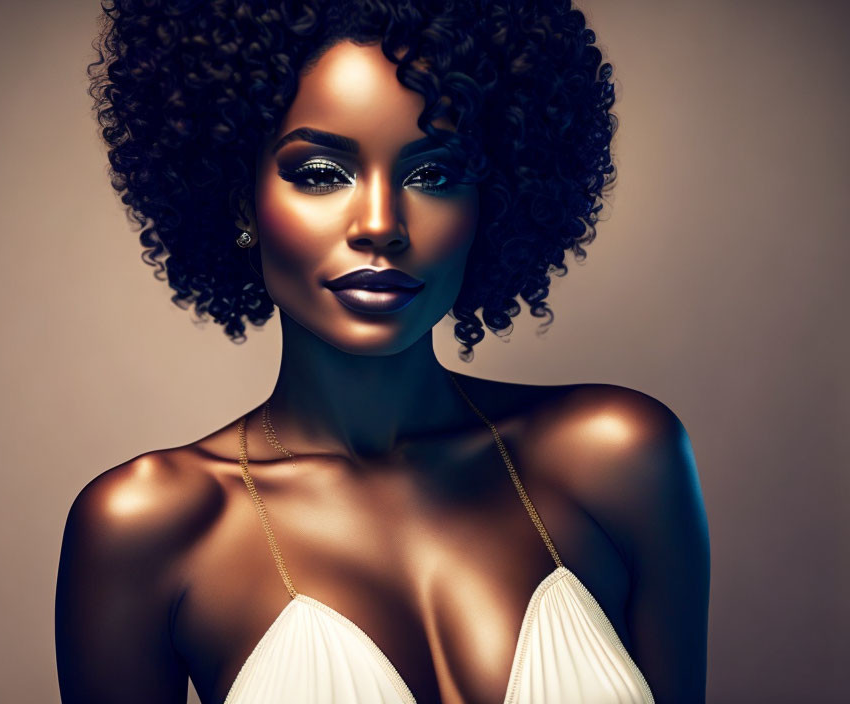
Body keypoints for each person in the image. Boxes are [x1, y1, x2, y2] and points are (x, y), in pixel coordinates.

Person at [55, 1, 710, 702]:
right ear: (239, 203)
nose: (379, 226)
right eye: (319, 172)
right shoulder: (151, 527)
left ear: (493, 199)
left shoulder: (616, 457)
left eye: (432, 175)